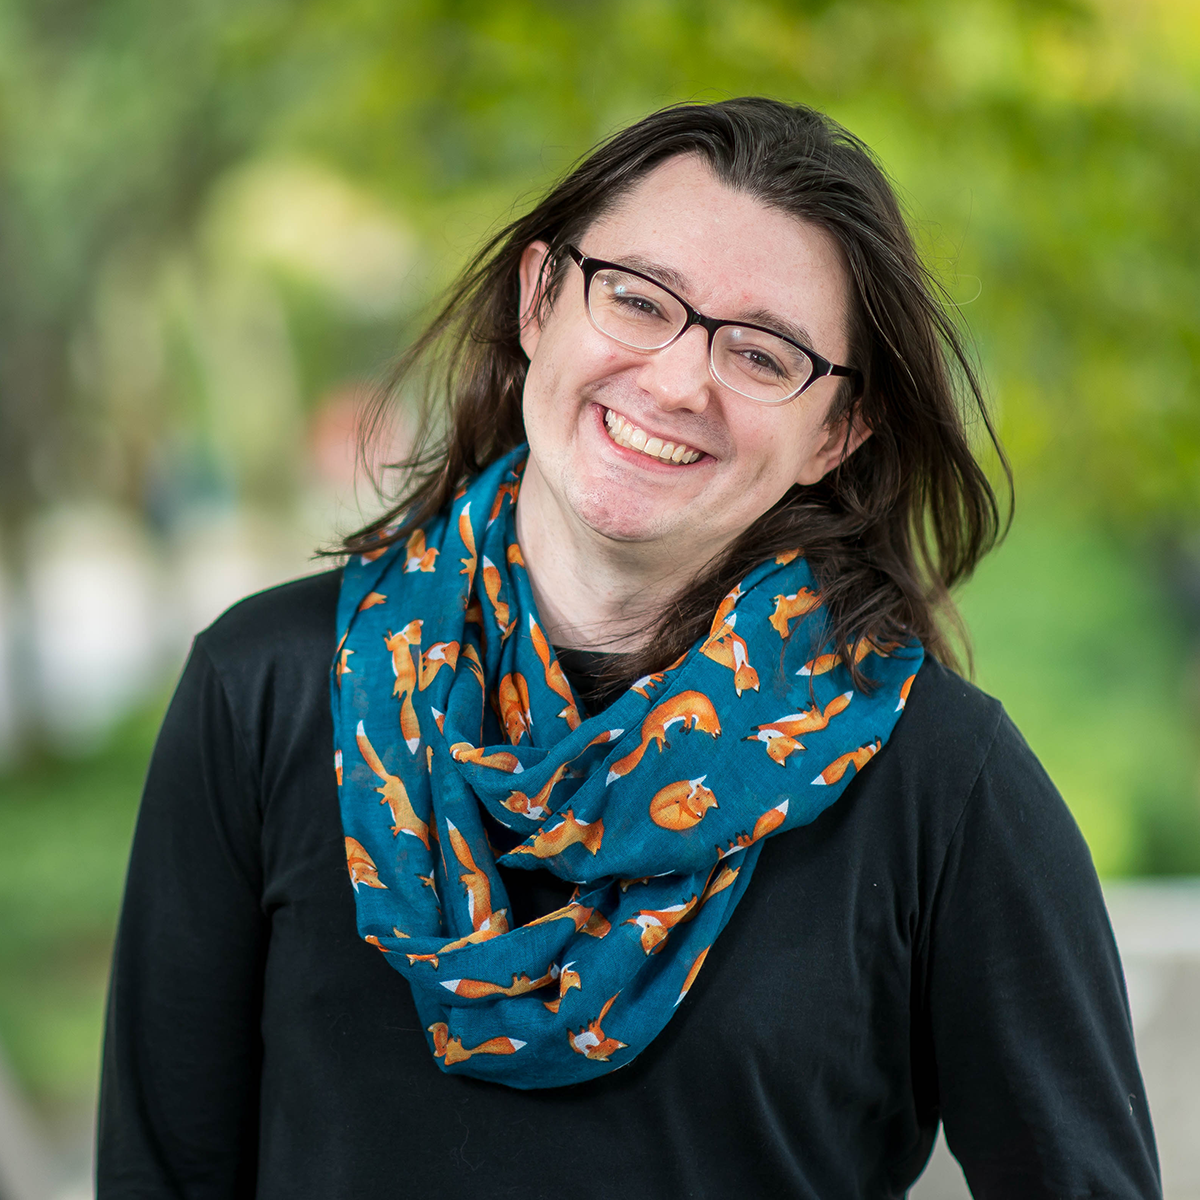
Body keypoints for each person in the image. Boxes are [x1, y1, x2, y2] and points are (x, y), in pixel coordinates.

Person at [98, 98, 1161, 1198]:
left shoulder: (939, 787)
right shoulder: (265, 689)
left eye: (763, 354)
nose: (675, 380)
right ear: (540, 298)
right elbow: (160, 1175)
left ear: (836, 434)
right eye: (640, 300)